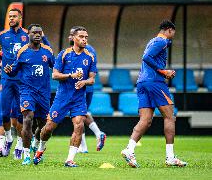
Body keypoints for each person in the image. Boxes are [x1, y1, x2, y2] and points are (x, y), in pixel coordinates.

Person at [0, 9, 50, 158]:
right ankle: (8, 139)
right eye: (10, 16)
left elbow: (47, 47)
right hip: (6, 79)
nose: (11, 18)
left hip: (23, 81)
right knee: (4, 114)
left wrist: (43, 38)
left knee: (23, 117)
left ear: (20, 17)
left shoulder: (28, 33)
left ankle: (20, 147)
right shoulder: (2, 35)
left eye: (14, 16)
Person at [121, 20, 187, 168]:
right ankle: (170, 157)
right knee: (170, 117)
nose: (173, 36)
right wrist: (163, 71)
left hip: (142, 82)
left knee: (146, 120)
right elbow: (146, 58)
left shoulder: (152, 41)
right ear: (169, 30)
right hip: (154, 82)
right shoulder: (162, 41)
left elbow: (147, 57)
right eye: (173, 32)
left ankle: (129, 149)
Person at [33, 26, 97, 167]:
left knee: (79, 126)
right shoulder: (64, 54)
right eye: (81, 37)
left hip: (79, 99)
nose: (84, 39)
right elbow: (55, 75)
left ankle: (69, 159)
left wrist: (84, 82)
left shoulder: (90, 56)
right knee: (48, 128)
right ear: (74, 38)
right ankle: (40, 147)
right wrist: (70, 75)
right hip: (62, 98)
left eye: (86, 37)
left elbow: (92, 80)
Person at [4, 24, 54, 165]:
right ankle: (26, 155)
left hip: (43, 93)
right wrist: (9, 70)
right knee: (27, 118)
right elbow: (14, 70)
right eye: (34, 32)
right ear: (28, 35)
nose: (37, 35)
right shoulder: (22, 51)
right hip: (27, 91)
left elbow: (55, 68)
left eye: (40, 33)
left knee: (43, 124)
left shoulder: (47, 51)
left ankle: (36, 144)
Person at [68, 26, 106, 153]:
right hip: (84, 87)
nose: (69, 37)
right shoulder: (87, 49)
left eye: (71, 35)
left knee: (79, 115)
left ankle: (98, 134)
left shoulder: (86, 50)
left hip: (82, 88)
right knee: (81, 115)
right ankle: (83, 147)